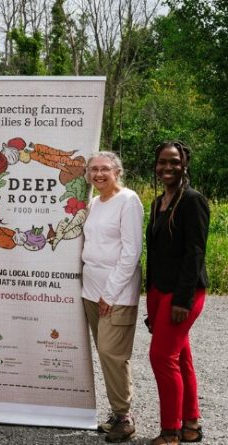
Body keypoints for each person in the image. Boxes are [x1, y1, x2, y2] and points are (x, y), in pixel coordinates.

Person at [145, 141, 210, 445]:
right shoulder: (159, 201)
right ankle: (192, 425)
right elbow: (156, 253)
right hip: (160, 291)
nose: (167, 168)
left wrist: (182, 300)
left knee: (161, 357)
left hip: (184, 292)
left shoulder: (192, 200)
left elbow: (195, 253)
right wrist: (152, 302)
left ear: (185, 164)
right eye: (162, 162)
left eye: (174, 162)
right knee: (180, 356)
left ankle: (170, 431)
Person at [80, 152, 143, 443]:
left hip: (115, 293)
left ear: (117, 171)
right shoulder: (94, 202)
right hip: (91, 290)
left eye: (105, 169)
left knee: (111, 353)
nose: (99, 174)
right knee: (105, 354)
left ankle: (125, 416)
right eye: (93, 169)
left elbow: (131, 253)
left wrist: (110, 292)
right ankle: (117, 414)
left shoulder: (128, 201)